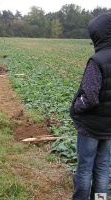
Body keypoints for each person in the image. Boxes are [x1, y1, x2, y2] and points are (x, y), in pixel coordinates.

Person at [69, 12, 111, 200]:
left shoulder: (97, 60)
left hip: (91, 127)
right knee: (103, 168)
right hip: (109, 128)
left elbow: (90, 98)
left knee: (84, 168)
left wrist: (77, 106)